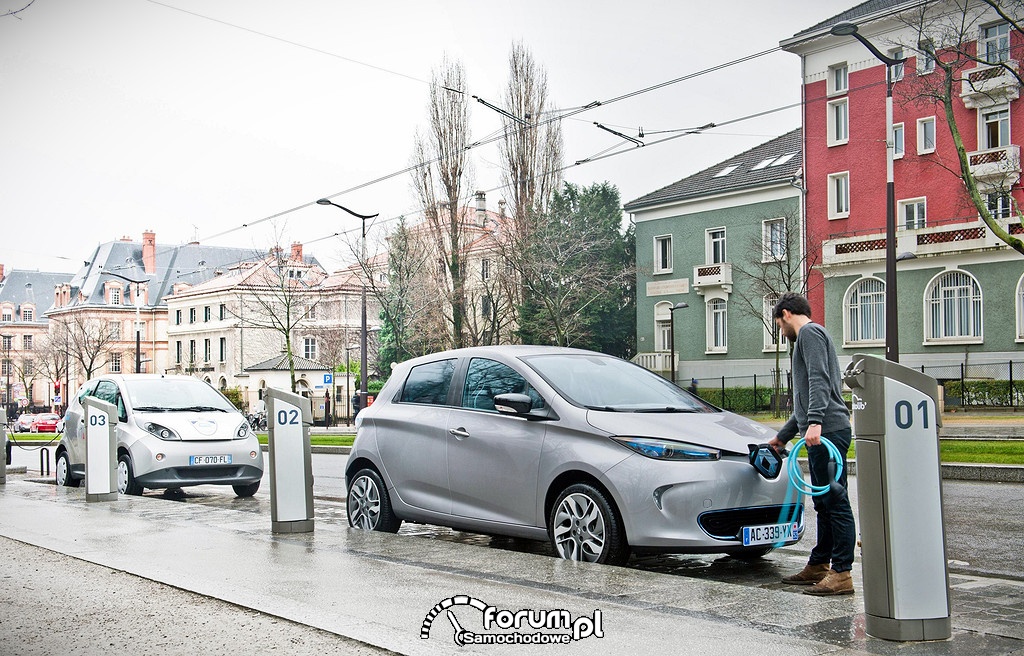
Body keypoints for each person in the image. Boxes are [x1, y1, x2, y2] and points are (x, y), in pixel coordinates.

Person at [768, 292, 855, 596]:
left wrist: (816, 421)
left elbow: (819, 379)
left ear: (787, 314)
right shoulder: (809, 337)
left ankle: (842, 572)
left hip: (828, 430)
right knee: (824, 503)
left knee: (835, 500)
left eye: (779, 324)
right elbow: (803, 404)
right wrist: (782, 437)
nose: (781, 331)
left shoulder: (809, 333)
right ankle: (819, 564)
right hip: (823, 429)